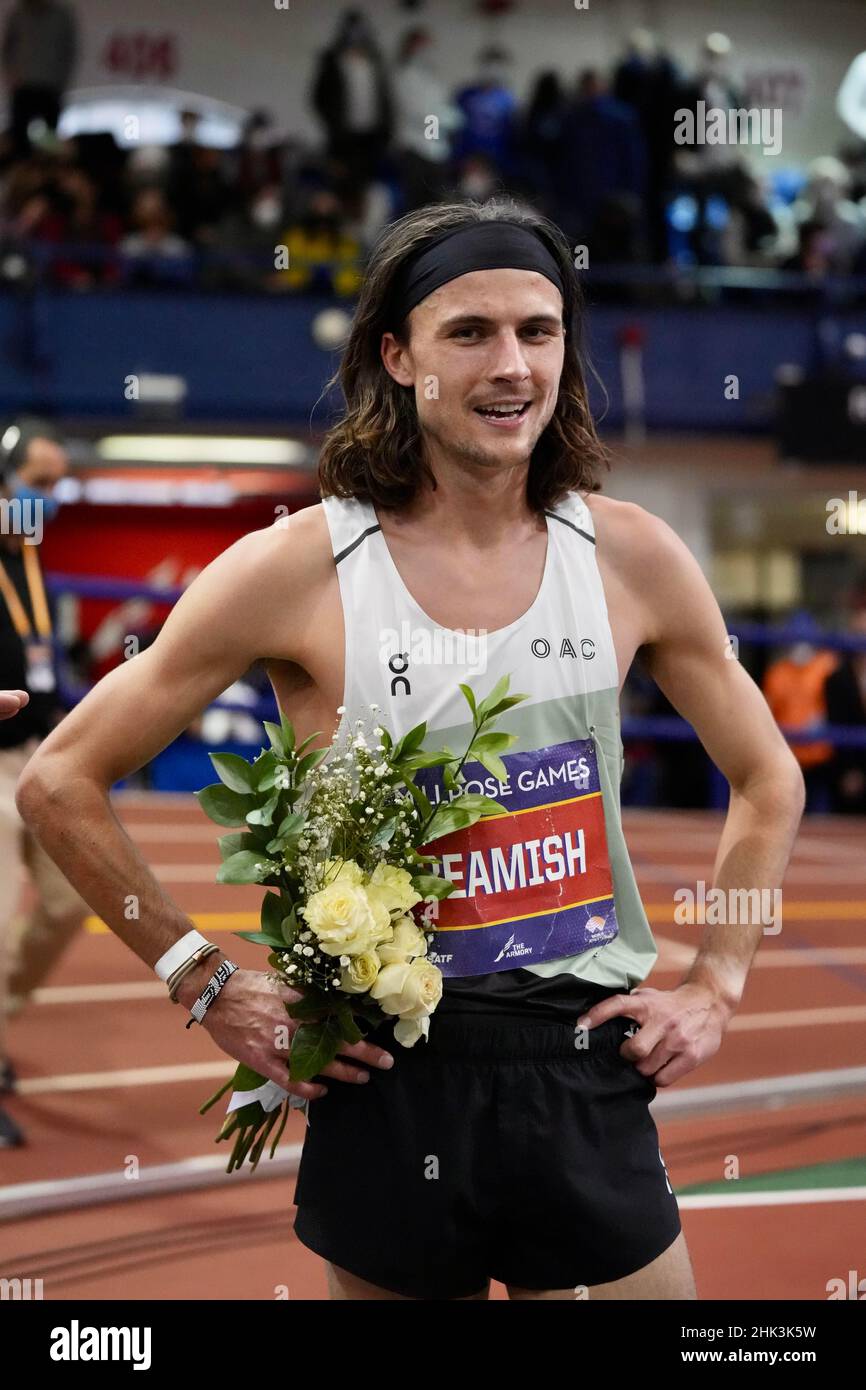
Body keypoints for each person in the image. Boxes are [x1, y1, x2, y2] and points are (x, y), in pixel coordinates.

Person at [15, 198, 805, 1298]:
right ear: (396, 356)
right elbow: (57, 779)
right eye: (468, 332)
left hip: (583, 1062)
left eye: (538, 330)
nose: (511, 365)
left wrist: (716, 982)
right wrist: (199, 979)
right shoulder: (295, 567)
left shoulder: (630, 555)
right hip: (387, 1071)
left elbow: (767, 777)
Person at [0, 417, 88, 1147]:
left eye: (57, 485)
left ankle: (3, 1015)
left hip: (37, 757)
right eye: (37, 484)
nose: (48, 498)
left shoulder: (32, 561)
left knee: (65, 903)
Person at [1, 0, 77, 156]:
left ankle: (46, 173)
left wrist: (61, 80)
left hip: (50, 88)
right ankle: (23, 174)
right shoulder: (18, 15)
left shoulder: (61, 16)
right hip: (24, 87)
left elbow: (69, 50)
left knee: (49, 140)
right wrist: (12, 76)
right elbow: (8, 48)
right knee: (20, 140)